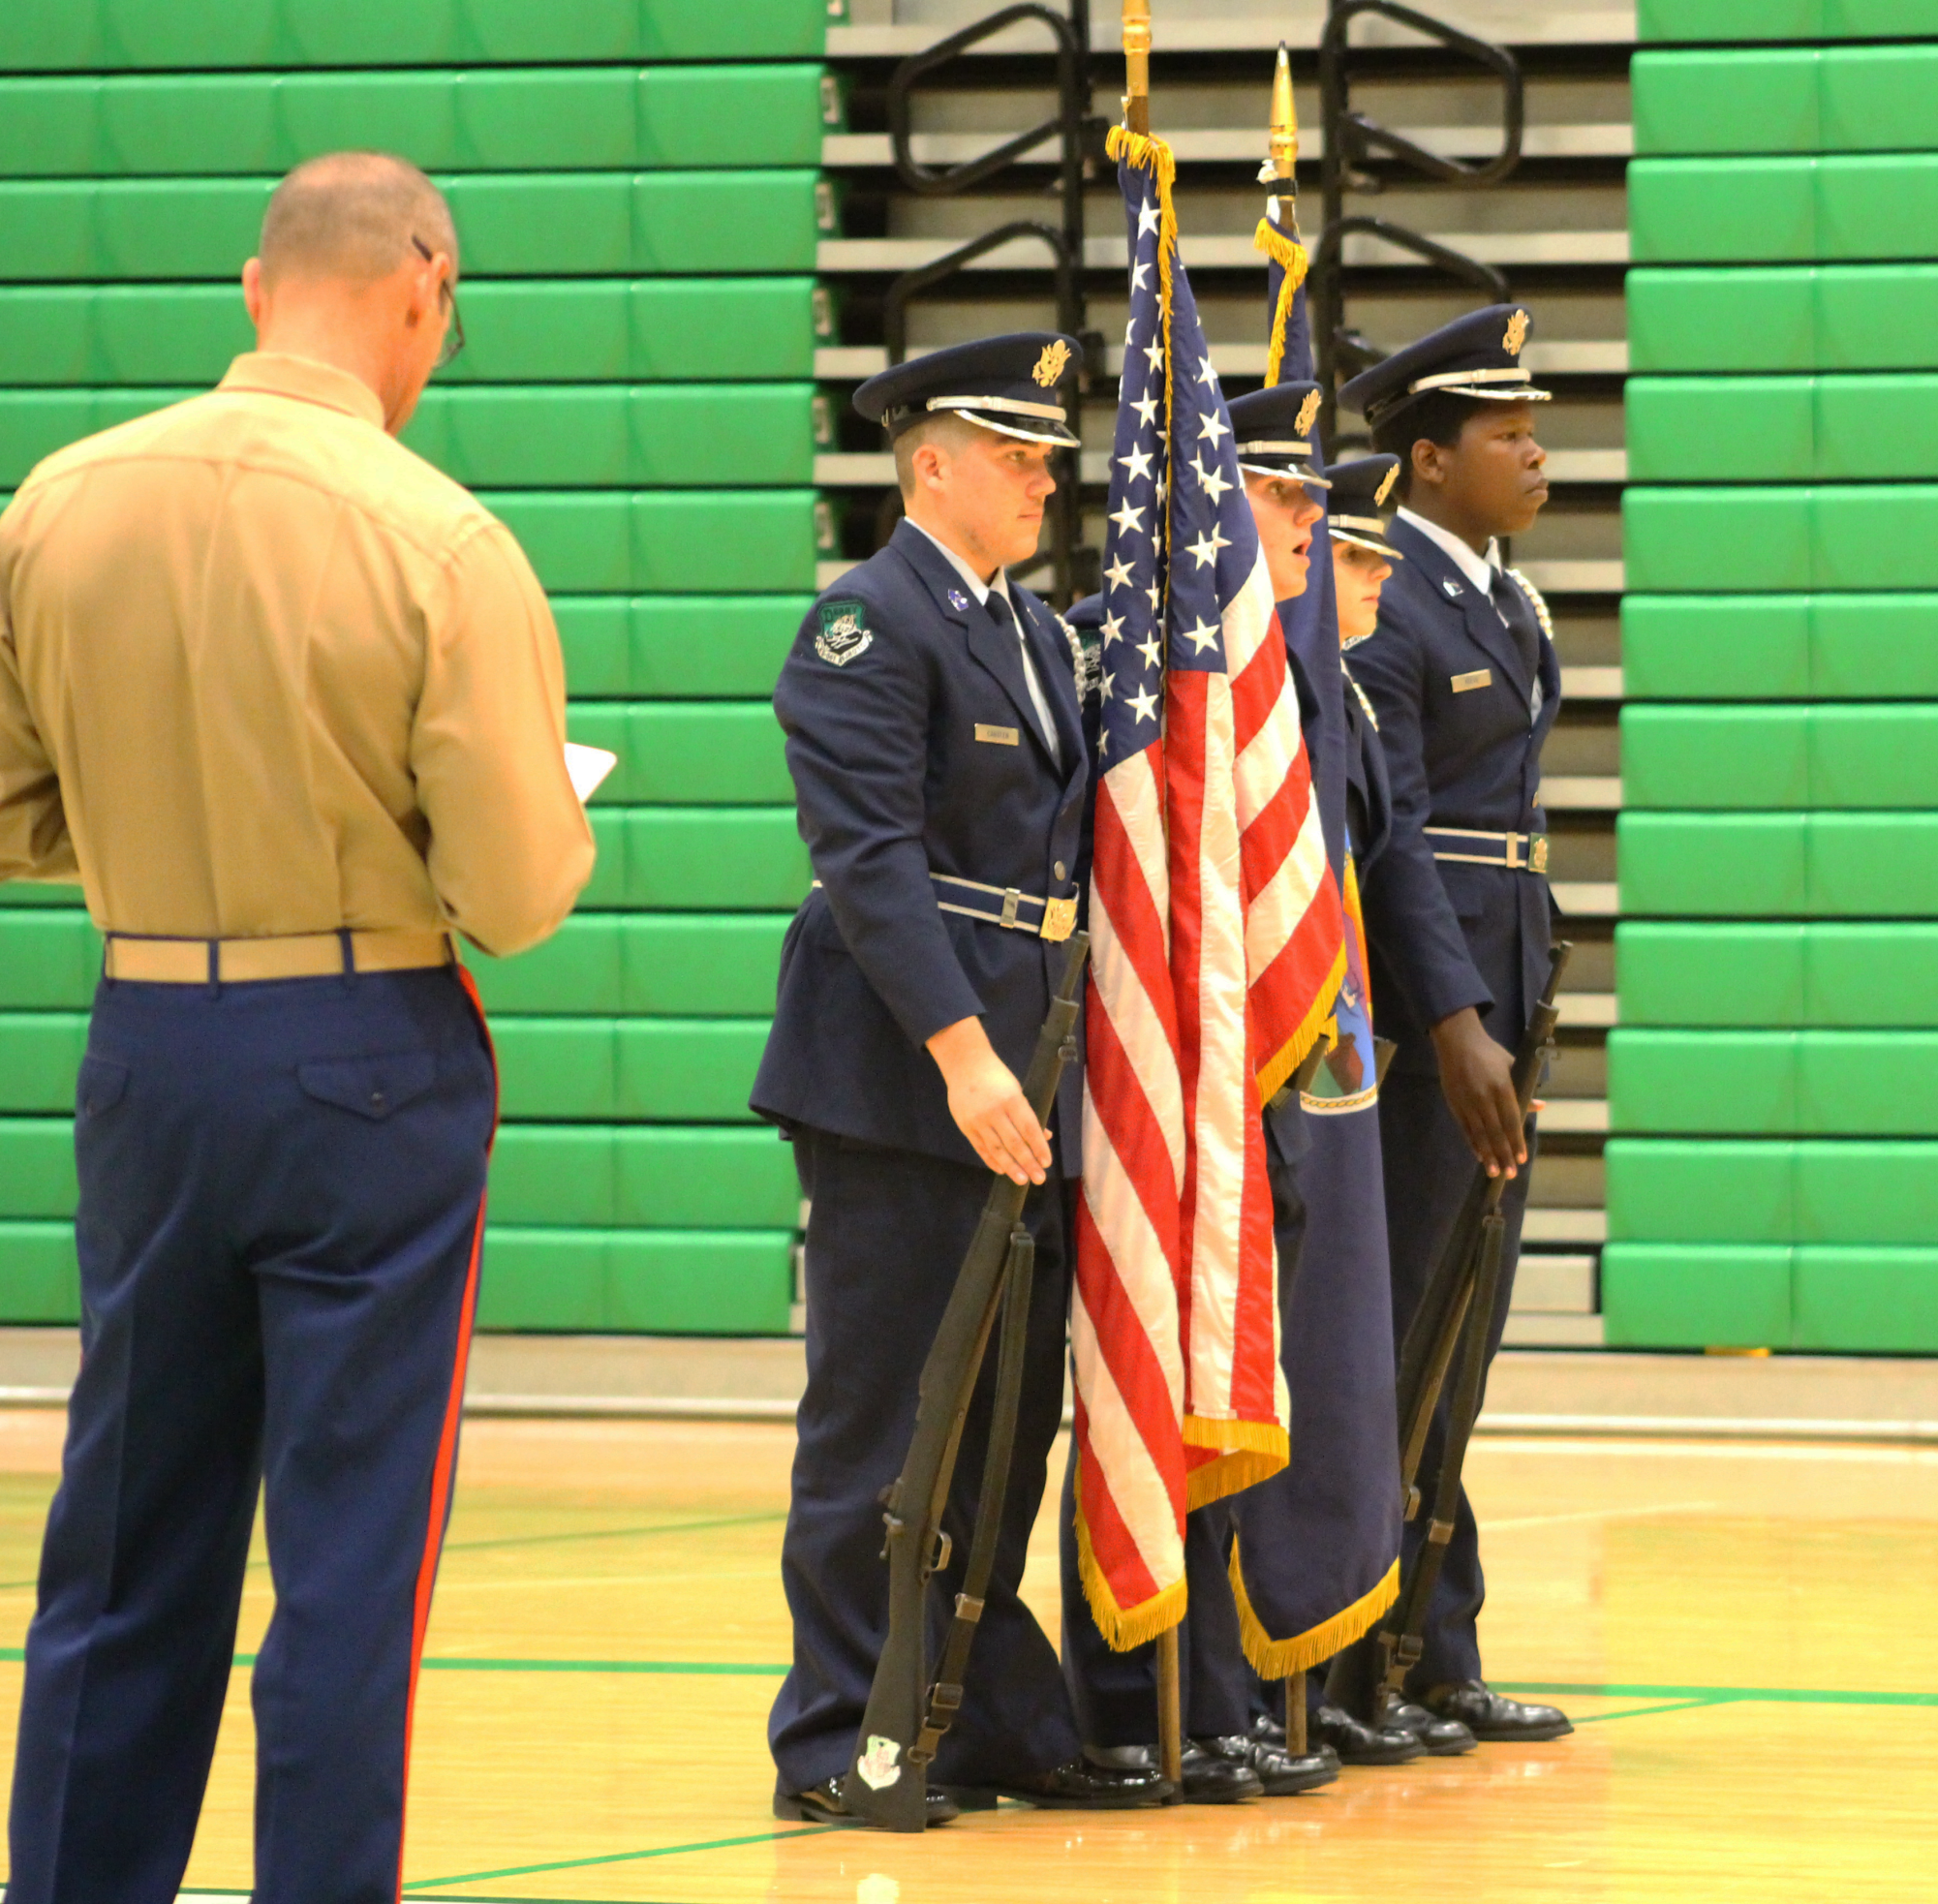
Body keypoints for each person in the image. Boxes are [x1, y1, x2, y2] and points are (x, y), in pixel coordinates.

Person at [0, 152, 595, 1898]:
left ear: (258, 291)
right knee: (346, 1560)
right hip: (364, 1055)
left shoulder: (57, 501)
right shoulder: (437, 536)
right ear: (424, 284)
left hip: (148, 1048)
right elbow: (513, 888)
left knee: (123, 1533)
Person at [751, 334, 1172, 1825]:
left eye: (1049, 452)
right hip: (905, 1075)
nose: (1048, 474)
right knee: (881, 1416)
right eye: (1017, 452)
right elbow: (868, 863)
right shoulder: (869, 623)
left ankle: (971, 1707)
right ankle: (837, 1736)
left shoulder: (1030, 632)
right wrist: (964, 1057)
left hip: (1025, 1075)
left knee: (1005, 1418)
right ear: (933, 464)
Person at [1053, 379, 1341, 1804]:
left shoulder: (1283, 676)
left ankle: (1215, 1688)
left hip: (1256, 1088)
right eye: (1283, 497)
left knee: (1233, 1367)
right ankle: (1125, 1694)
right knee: (1142, 1354)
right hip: (1151, 1071)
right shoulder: (1149, 665)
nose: (1307, 522)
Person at [1322, 305, 1574, 1743]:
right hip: (1429, 1024)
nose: (1536, 449)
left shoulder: (1503, 598)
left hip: (1502, 1002)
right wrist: (1456, 1020)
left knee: (1462, 1333)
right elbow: (1399, 833)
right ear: (1426, 460)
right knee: (1402, 1322)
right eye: (1505, 431)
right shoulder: (1387, 598)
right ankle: (1360, 1652)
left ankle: (1431, 1643)